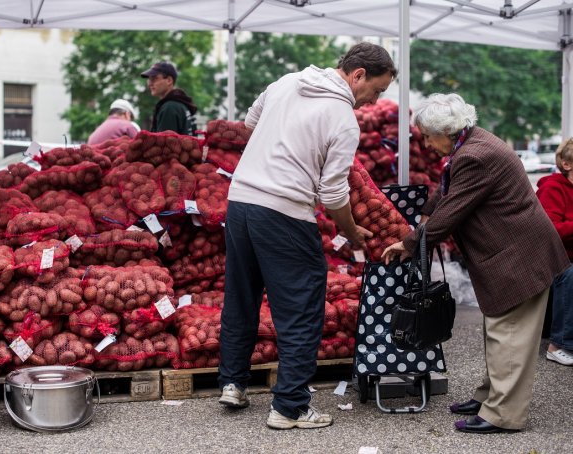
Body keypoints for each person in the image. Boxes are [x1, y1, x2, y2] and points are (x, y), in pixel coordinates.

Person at [217, 42, 396, 430]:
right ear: (358, 74)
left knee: (241, 295)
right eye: (377, 89)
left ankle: (233, 382)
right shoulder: (343, 117)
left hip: (241, 201)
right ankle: (290, 407)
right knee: (301, 308)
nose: (373, 99)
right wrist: (351, 231)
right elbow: (333, 194)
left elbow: (251, 121)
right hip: (283, 211)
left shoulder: (287, 81)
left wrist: (281, 140)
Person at [381, 93, 569, 434]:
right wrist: (425, 215)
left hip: (519, 256)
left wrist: (410, 243)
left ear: (448, 131)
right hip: (513, 251)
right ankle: (489, 397)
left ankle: (504, 415)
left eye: (427, 135)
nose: (425, 142)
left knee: (509, 336)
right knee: (499, 331)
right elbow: (447, 188)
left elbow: (452, 211)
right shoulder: (469, 145)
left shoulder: (476, 155)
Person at [536, 138, 573, 366]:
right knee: (571, 275)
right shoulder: (552, 188)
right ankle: (558, 344)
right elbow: (549, 231)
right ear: (567, 164)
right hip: (554, 259)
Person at [140, 61, 197, 136]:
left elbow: (164, 145)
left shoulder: (169, 108)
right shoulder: (181, 105)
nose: (149, 83)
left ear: (169, 80)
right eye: (149, 79)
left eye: (154, 78)